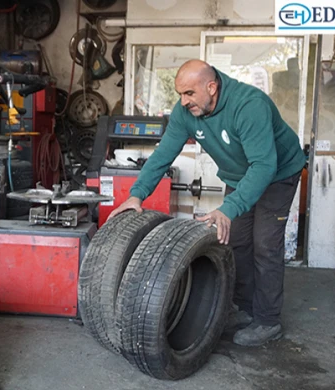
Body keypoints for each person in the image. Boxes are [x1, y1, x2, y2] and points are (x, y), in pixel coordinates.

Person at [108, 59, 305, 347]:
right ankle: (246, 308)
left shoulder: (249, 106)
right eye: (180, 94)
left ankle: (267, 320)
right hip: (240, 175)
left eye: (189, 93)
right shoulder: (185, 112)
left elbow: (264, 166)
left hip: (277, 173)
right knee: (235, 242)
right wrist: (137, 195)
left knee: (265, 245)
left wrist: (227, 209)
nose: (183, 101)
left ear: (211, 87)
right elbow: (164, 154)